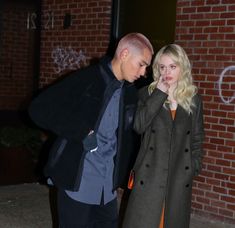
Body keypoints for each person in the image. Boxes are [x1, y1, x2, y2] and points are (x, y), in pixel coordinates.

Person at [28, 32, 153, 228]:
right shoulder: (87, 79)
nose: (143, 72)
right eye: (142, 64)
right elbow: (39, 108)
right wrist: (81, 132)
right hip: (78, 181)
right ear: (125, 54)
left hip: (107, 186)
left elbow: (132, 133)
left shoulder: (129, 93)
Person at [122, 44, 204, 228]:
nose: (167, 72)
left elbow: (197, 138)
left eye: (172, 66)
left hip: (178, 176)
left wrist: (193, 166)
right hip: (150, 175)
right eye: (162, 66)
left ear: (182, 68)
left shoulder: (193, 100)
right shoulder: (146, 94)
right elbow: (139, 126)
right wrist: (159, 93)